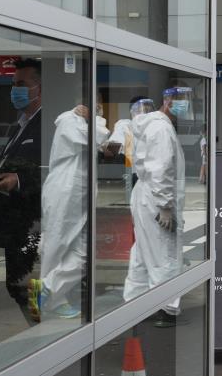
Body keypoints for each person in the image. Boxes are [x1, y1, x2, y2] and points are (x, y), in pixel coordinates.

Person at [28, 100, 110, 321]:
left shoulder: (83, 123)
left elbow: (104, 144)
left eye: (99, 106)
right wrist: (95, 120)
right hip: (64, 192)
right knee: (56, 246)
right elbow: (98, 136)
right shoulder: (69, 120)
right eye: (95, 104)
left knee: (83, 252)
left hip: (77, 196)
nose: (98, 109)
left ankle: (48, 290)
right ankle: (52, 300)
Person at [0, 58, 43, 325]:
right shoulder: (20, 124)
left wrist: (20, 181)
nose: (14, 90)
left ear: (40, 89)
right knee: (19, 284)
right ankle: (40, 328)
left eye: (21, 84)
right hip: (14, 222)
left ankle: (44, 332)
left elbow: (57, 171)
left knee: (27, 283)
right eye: (13, 84)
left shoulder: (48, 125)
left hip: (32, 222)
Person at [123, 87, 188, 327]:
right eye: (181, 101)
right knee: (165, 252)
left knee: (143, 251)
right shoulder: (161, 128)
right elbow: (161, 168)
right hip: (155, 198)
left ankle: (135, 302)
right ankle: (166, 307)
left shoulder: (151, 125)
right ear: (167, 101)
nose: (186, 106)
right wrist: (165, 205)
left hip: (145, 194)